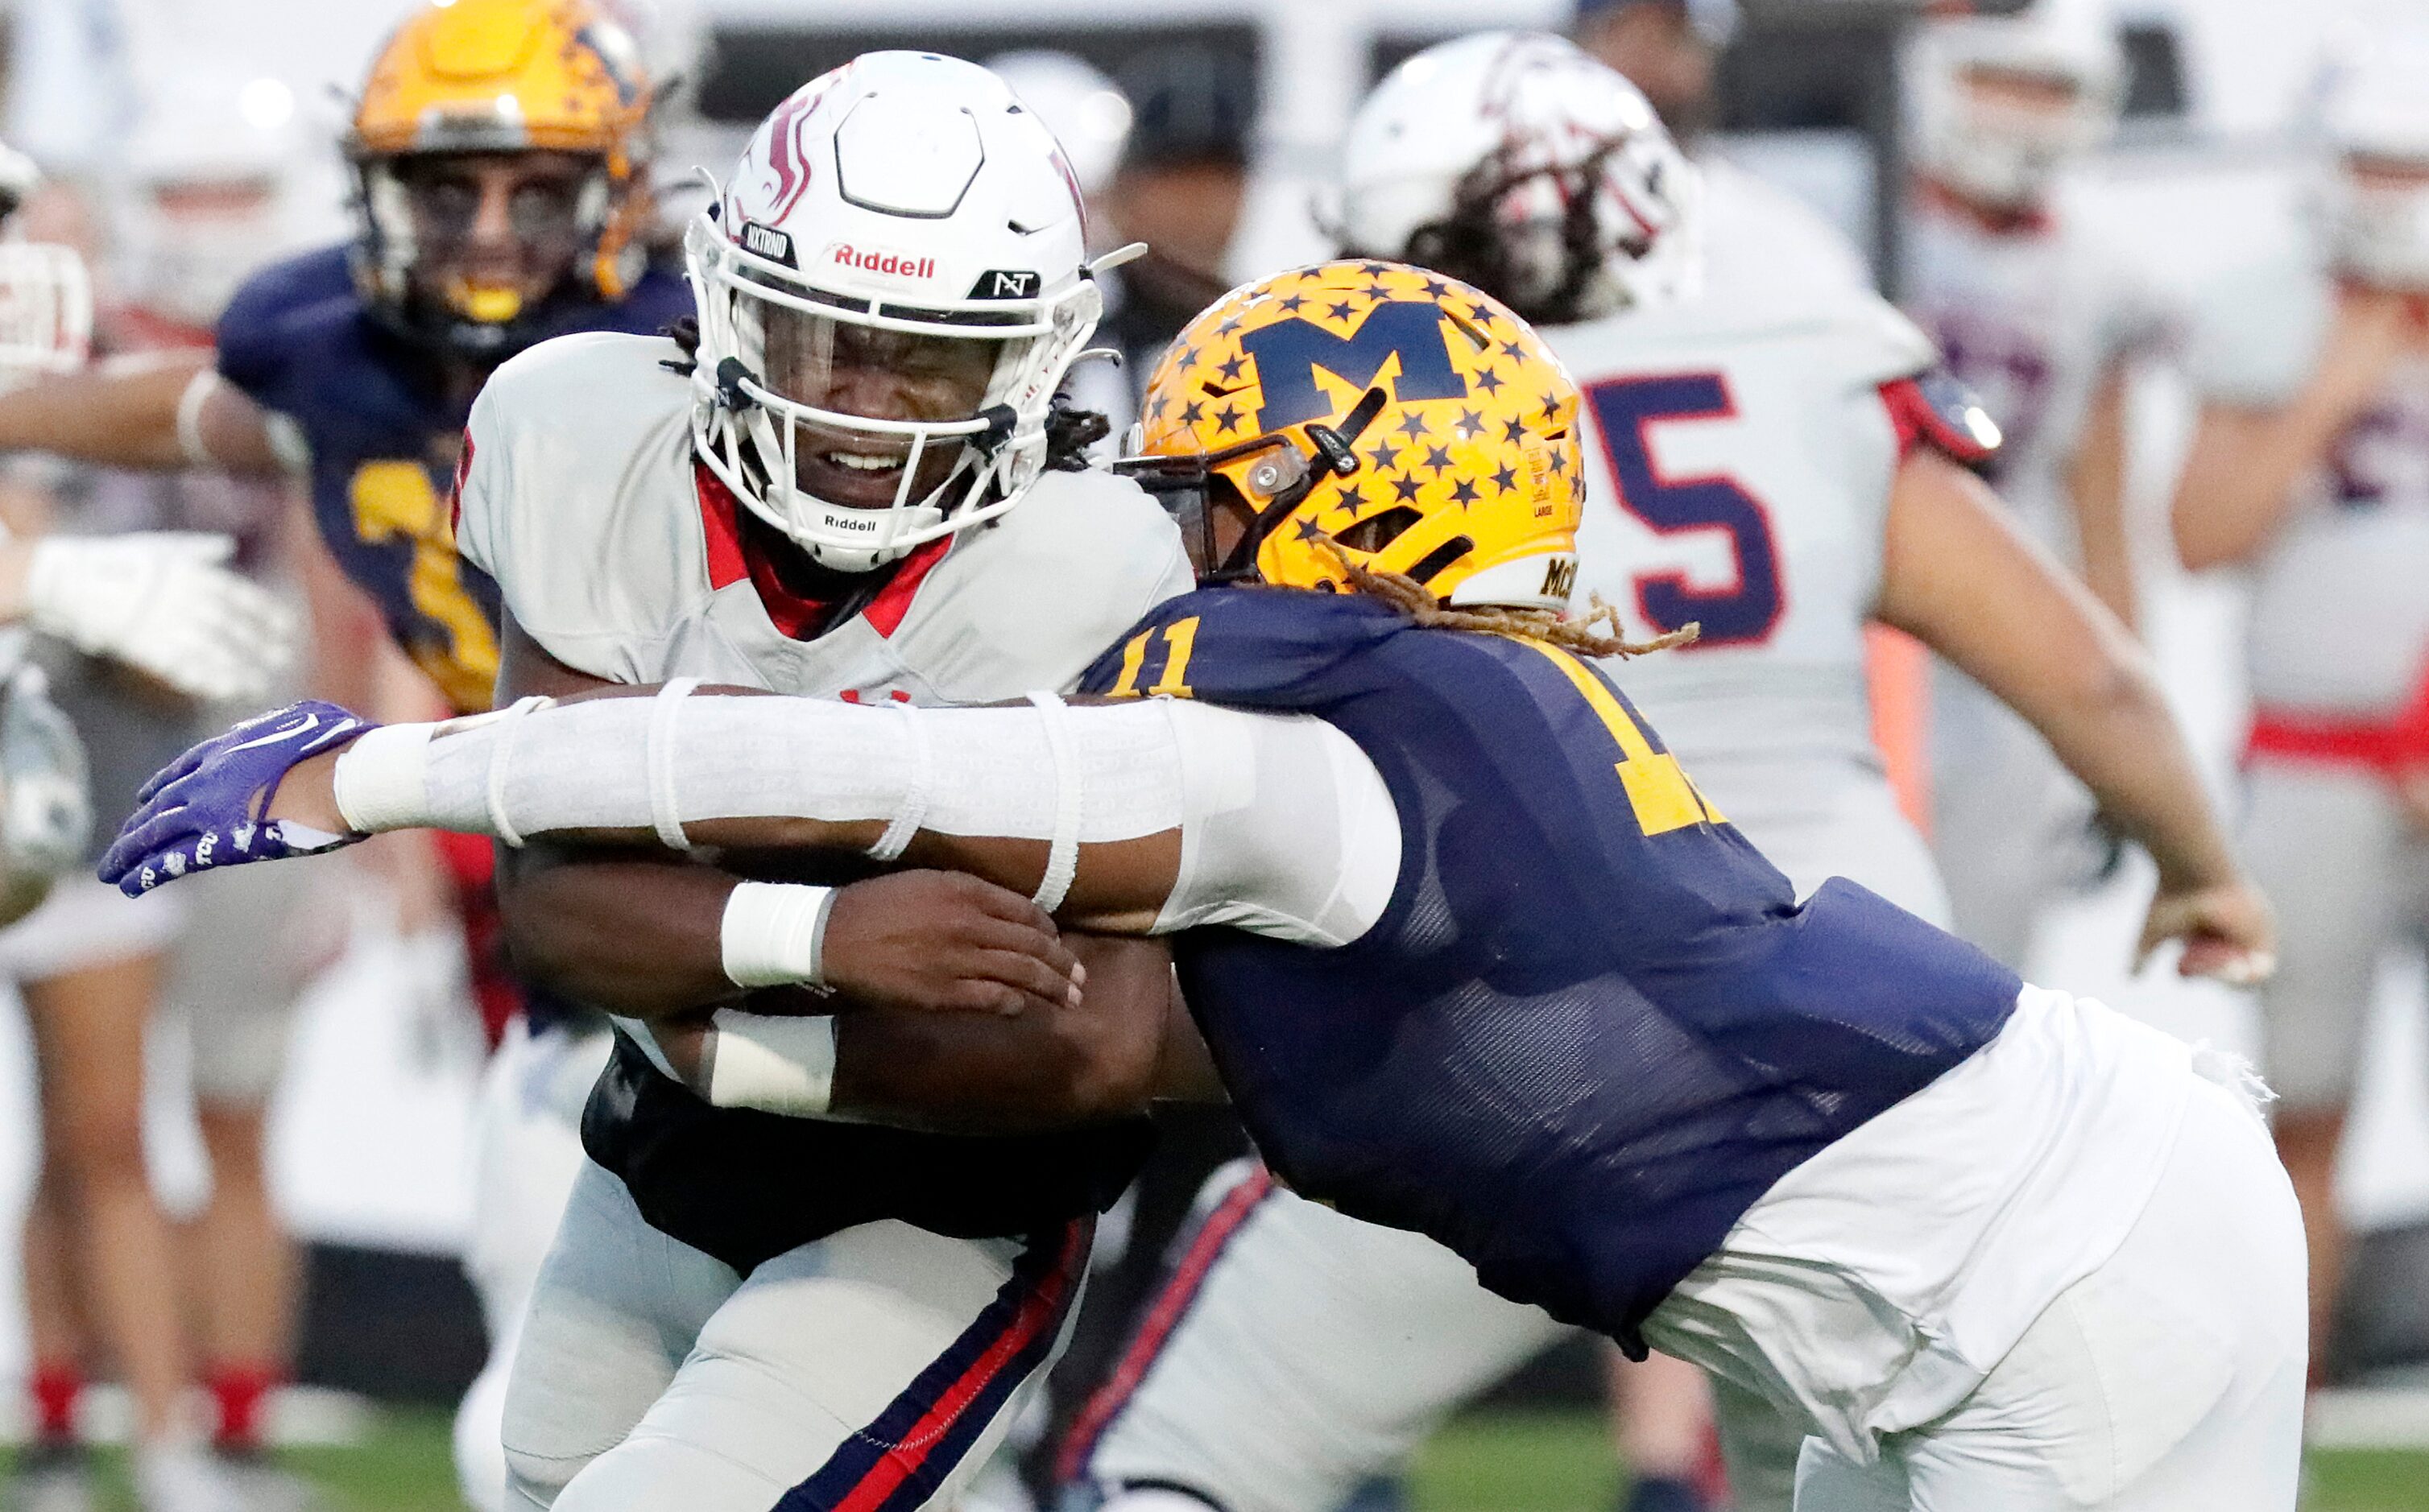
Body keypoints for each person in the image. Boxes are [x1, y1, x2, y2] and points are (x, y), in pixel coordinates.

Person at [120, 255, 2306, 1512]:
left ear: (1341, 496)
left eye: (1214, 482)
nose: (1170, 526)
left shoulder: (1311, 758)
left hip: (2047, 1283)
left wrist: (388, 767)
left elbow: (834, 753)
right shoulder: (1456, 702)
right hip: (2046, 1226)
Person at [1045, 33, 2270, 1512]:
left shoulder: (1382, 428)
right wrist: (2202, 868)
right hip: (1828, 999)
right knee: (1849, 1454)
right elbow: (2088, 672)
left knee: (1186, 1457)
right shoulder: (1794, 327)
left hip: (1491, 1010)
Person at [147, 49, 1194, 1512]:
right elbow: (563, 900)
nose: (866, 410)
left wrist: (732, 1006)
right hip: (658, 1148)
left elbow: (1090, 1049)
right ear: (726, 304)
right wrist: (826, 938)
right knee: (534, 1482)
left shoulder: (1097, 566)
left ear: (1029, 356)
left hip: (947, 1205)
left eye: (930, 359)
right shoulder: (583, 432)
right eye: (827, 341)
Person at [0, 3, 689, 1505]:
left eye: (535, 188)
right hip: (573, 919)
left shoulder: (686, 357)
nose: (489, 232)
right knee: (545, 1366)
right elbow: (206, 419)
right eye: (450, 190)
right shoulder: (335, 350)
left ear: (620, 189)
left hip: (738, 866)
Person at [2168, 30, 2429, 1392]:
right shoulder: (2268, 309)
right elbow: (2200, 531)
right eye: (2378, 164)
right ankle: (2292, 1406)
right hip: (2319, 762)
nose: (2395, 192)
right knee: (2306, 1104)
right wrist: (2330, 388)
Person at [1897, 3, 2168, 972]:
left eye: (2046, 88)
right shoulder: (1850, 223)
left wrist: (2124, 743)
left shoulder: (2098, 277)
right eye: (1995, 80)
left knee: (1982, 975)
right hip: (1860, 637)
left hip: (1996, 651)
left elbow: (2104, 519)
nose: (2017, 112)